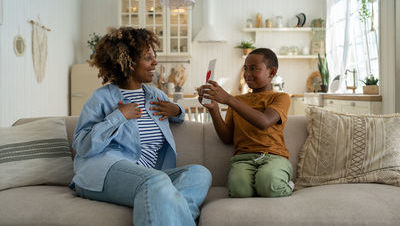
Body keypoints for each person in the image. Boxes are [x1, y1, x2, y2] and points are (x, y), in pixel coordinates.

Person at [71, 27, 212, 226]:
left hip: (150, 174)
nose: (155, 62)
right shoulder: (101, 98)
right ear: (127, 62)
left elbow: (178, 117)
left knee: (200, 173)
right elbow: (83, 146)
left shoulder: (156, 96)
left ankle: (168, 213)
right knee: (154, 182)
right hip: (103, 171)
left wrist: (177, 111)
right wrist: (119, 116)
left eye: (154, 56)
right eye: (147, 57)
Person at [198, 48, 294, 198]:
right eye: (245, 69)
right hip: (243, 158)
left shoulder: (281, 98)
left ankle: (284, 184)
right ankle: (259, 185)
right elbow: (227, 138)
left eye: (254, 69)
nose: (247, 74)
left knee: (268, 183)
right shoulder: (238, 101)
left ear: (272, 72)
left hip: (274, 157)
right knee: (238, 190)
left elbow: (264, 122)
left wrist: (229, 99)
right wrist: (213, 109)